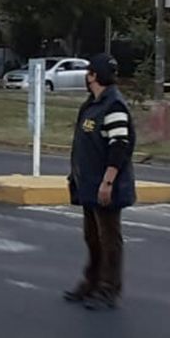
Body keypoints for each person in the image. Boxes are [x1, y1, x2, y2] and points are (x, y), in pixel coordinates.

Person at [63, 54, 136, 311]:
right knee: (92, 237)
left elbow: (119, 146)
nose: (86, 77)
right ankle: (90, 282)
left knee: (109, 238)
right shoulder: (92, 104)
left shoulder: (113, 105)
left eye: (89, 72)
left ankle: (108, 288)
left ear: (94, 76)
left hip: (105, 185)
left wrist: (108, 182)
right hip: (88, 183)